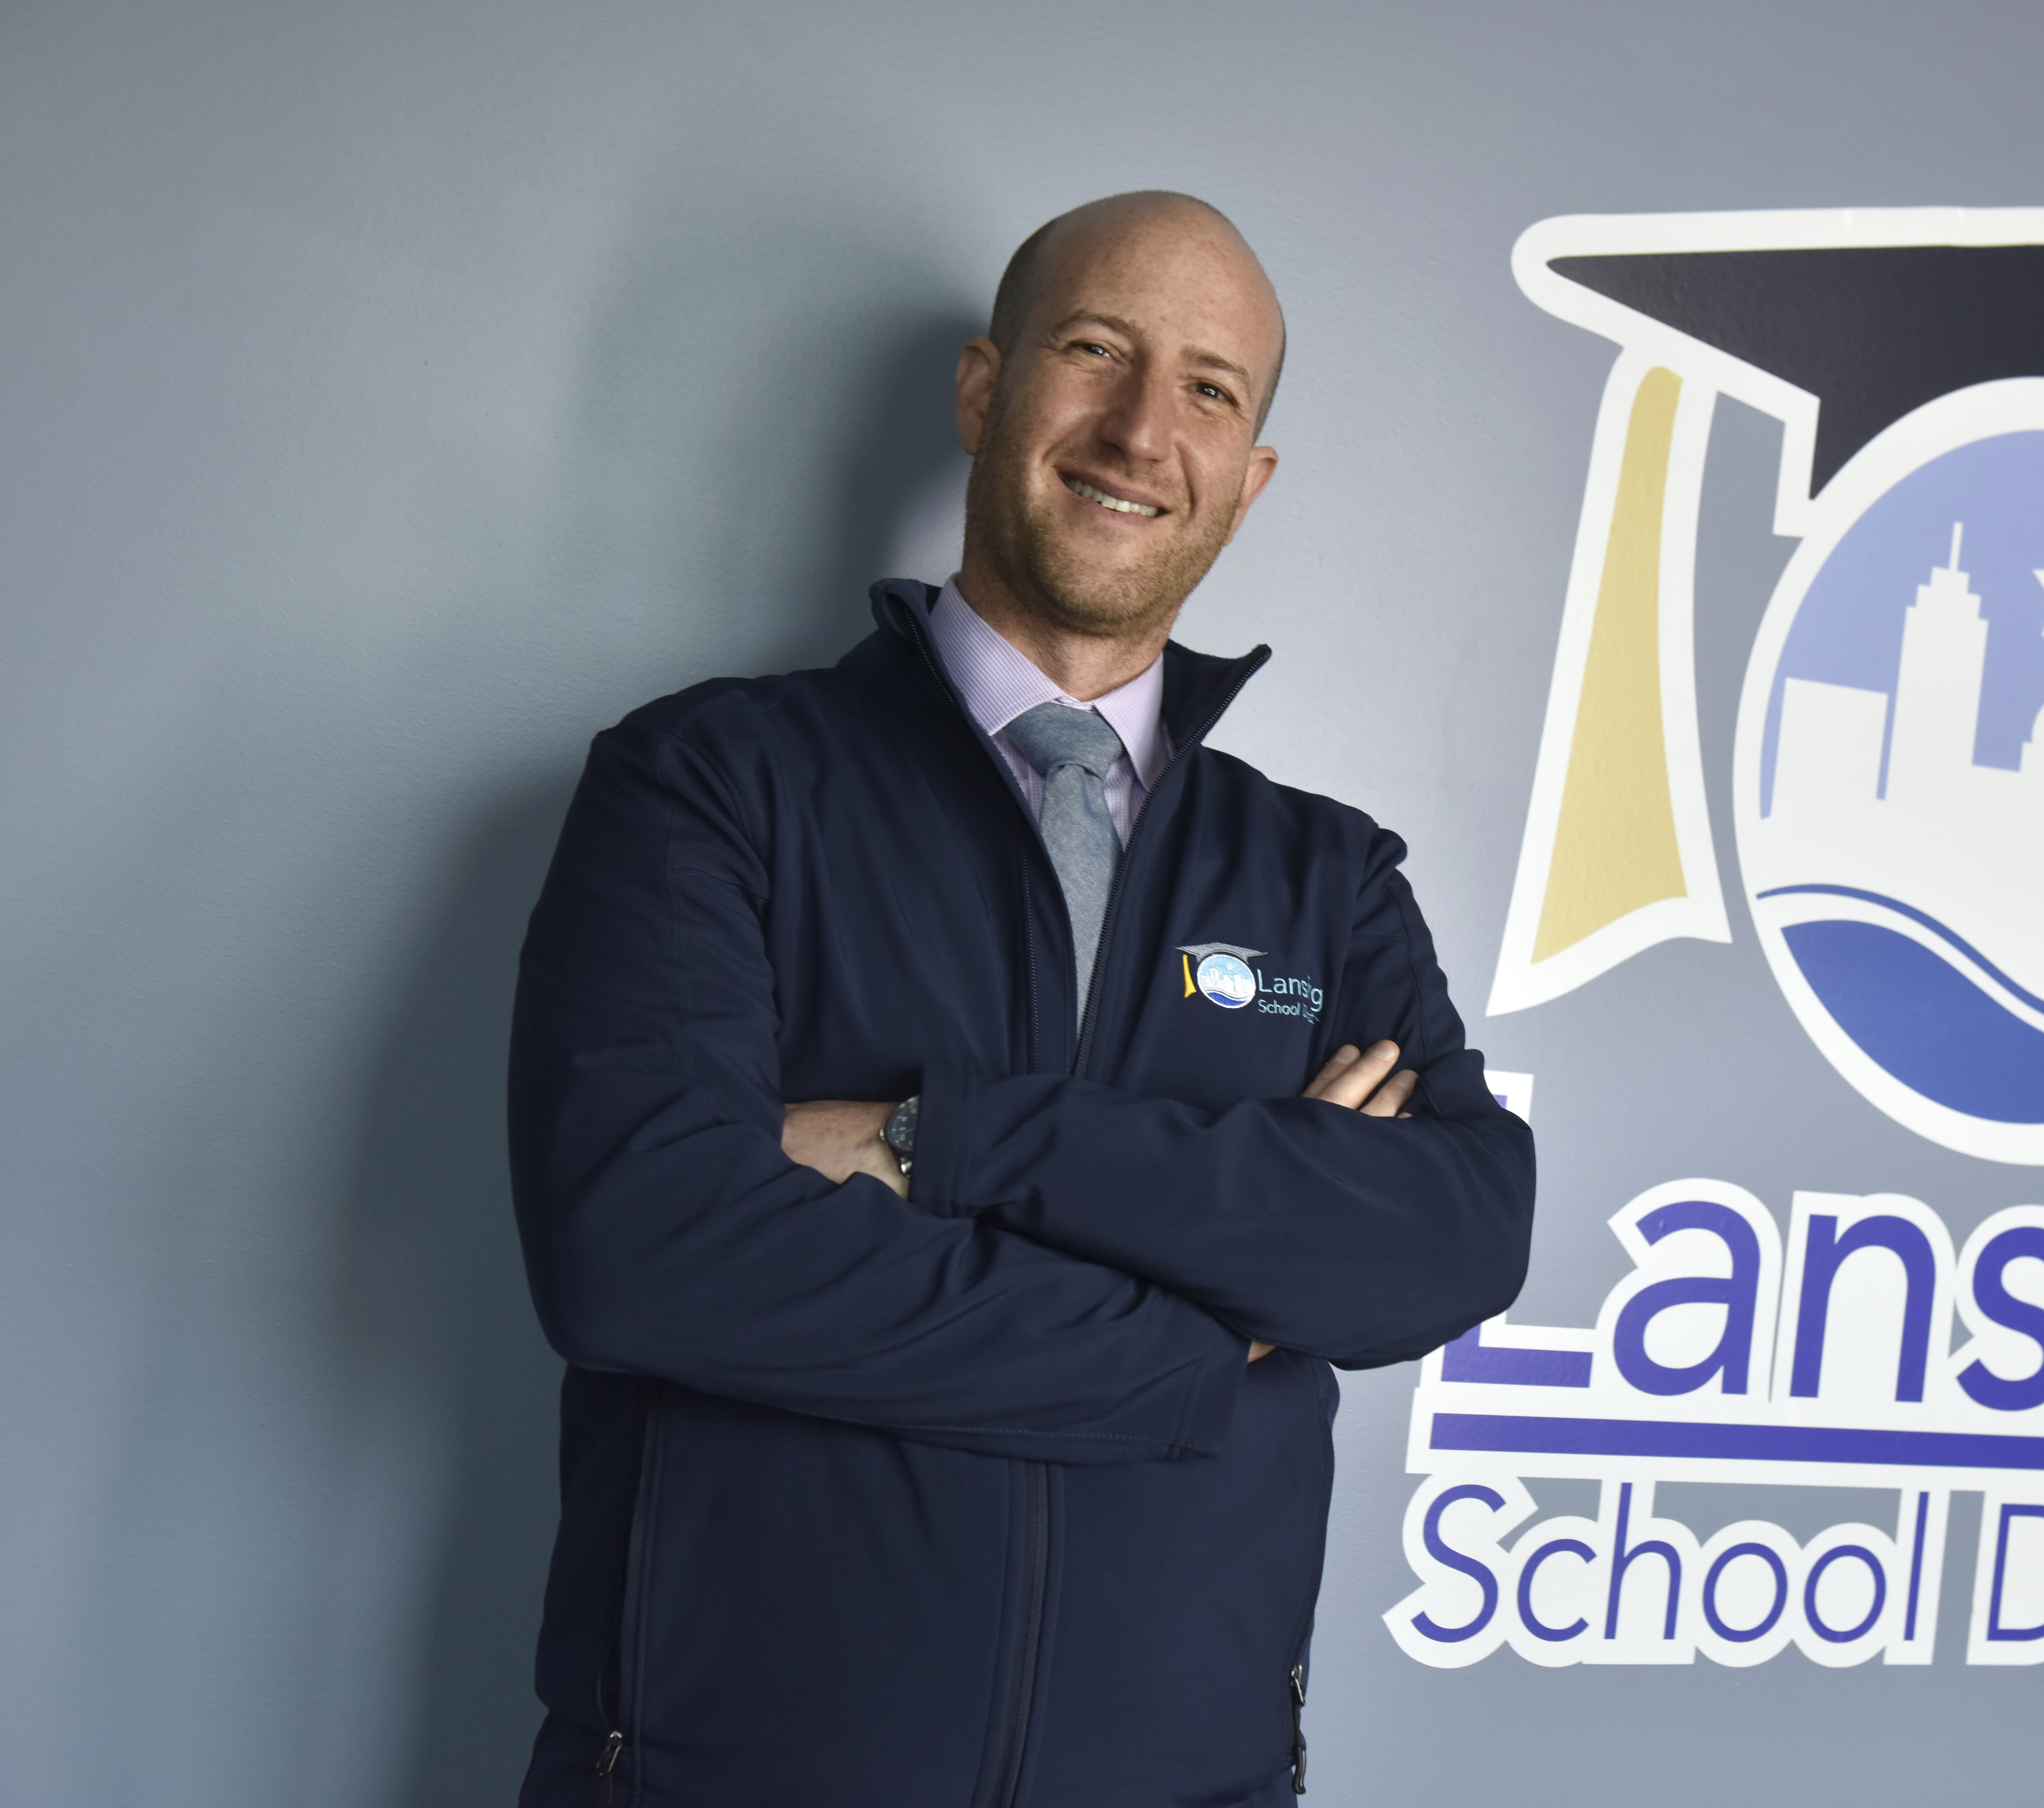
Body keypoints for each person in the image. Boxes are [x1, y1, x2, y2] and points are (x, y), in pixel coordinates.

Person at [506, 190, 1536, 1807]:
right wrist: (1204, 1340)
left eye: (1209, 390)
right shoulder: (710, 783)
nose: (1142, 430)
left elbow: (1452, 1235)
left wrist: (945, 1141)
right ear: (986, 390)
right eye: (1097, 350)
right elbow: (642, 1249)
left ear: (1248, 478)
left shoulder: (1323, 876)